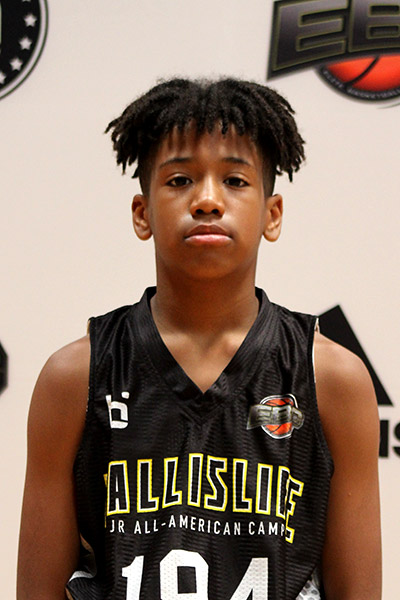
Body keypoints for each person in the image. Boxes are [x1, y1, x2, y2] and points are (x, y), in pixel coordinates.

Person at [17, 78, 381, 600]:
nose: (208, 200)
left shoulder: (333, 379)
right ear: (142, 213)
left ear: (272, 214)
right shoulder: (74, 378)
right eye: (180, 179)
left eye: (234, 180)